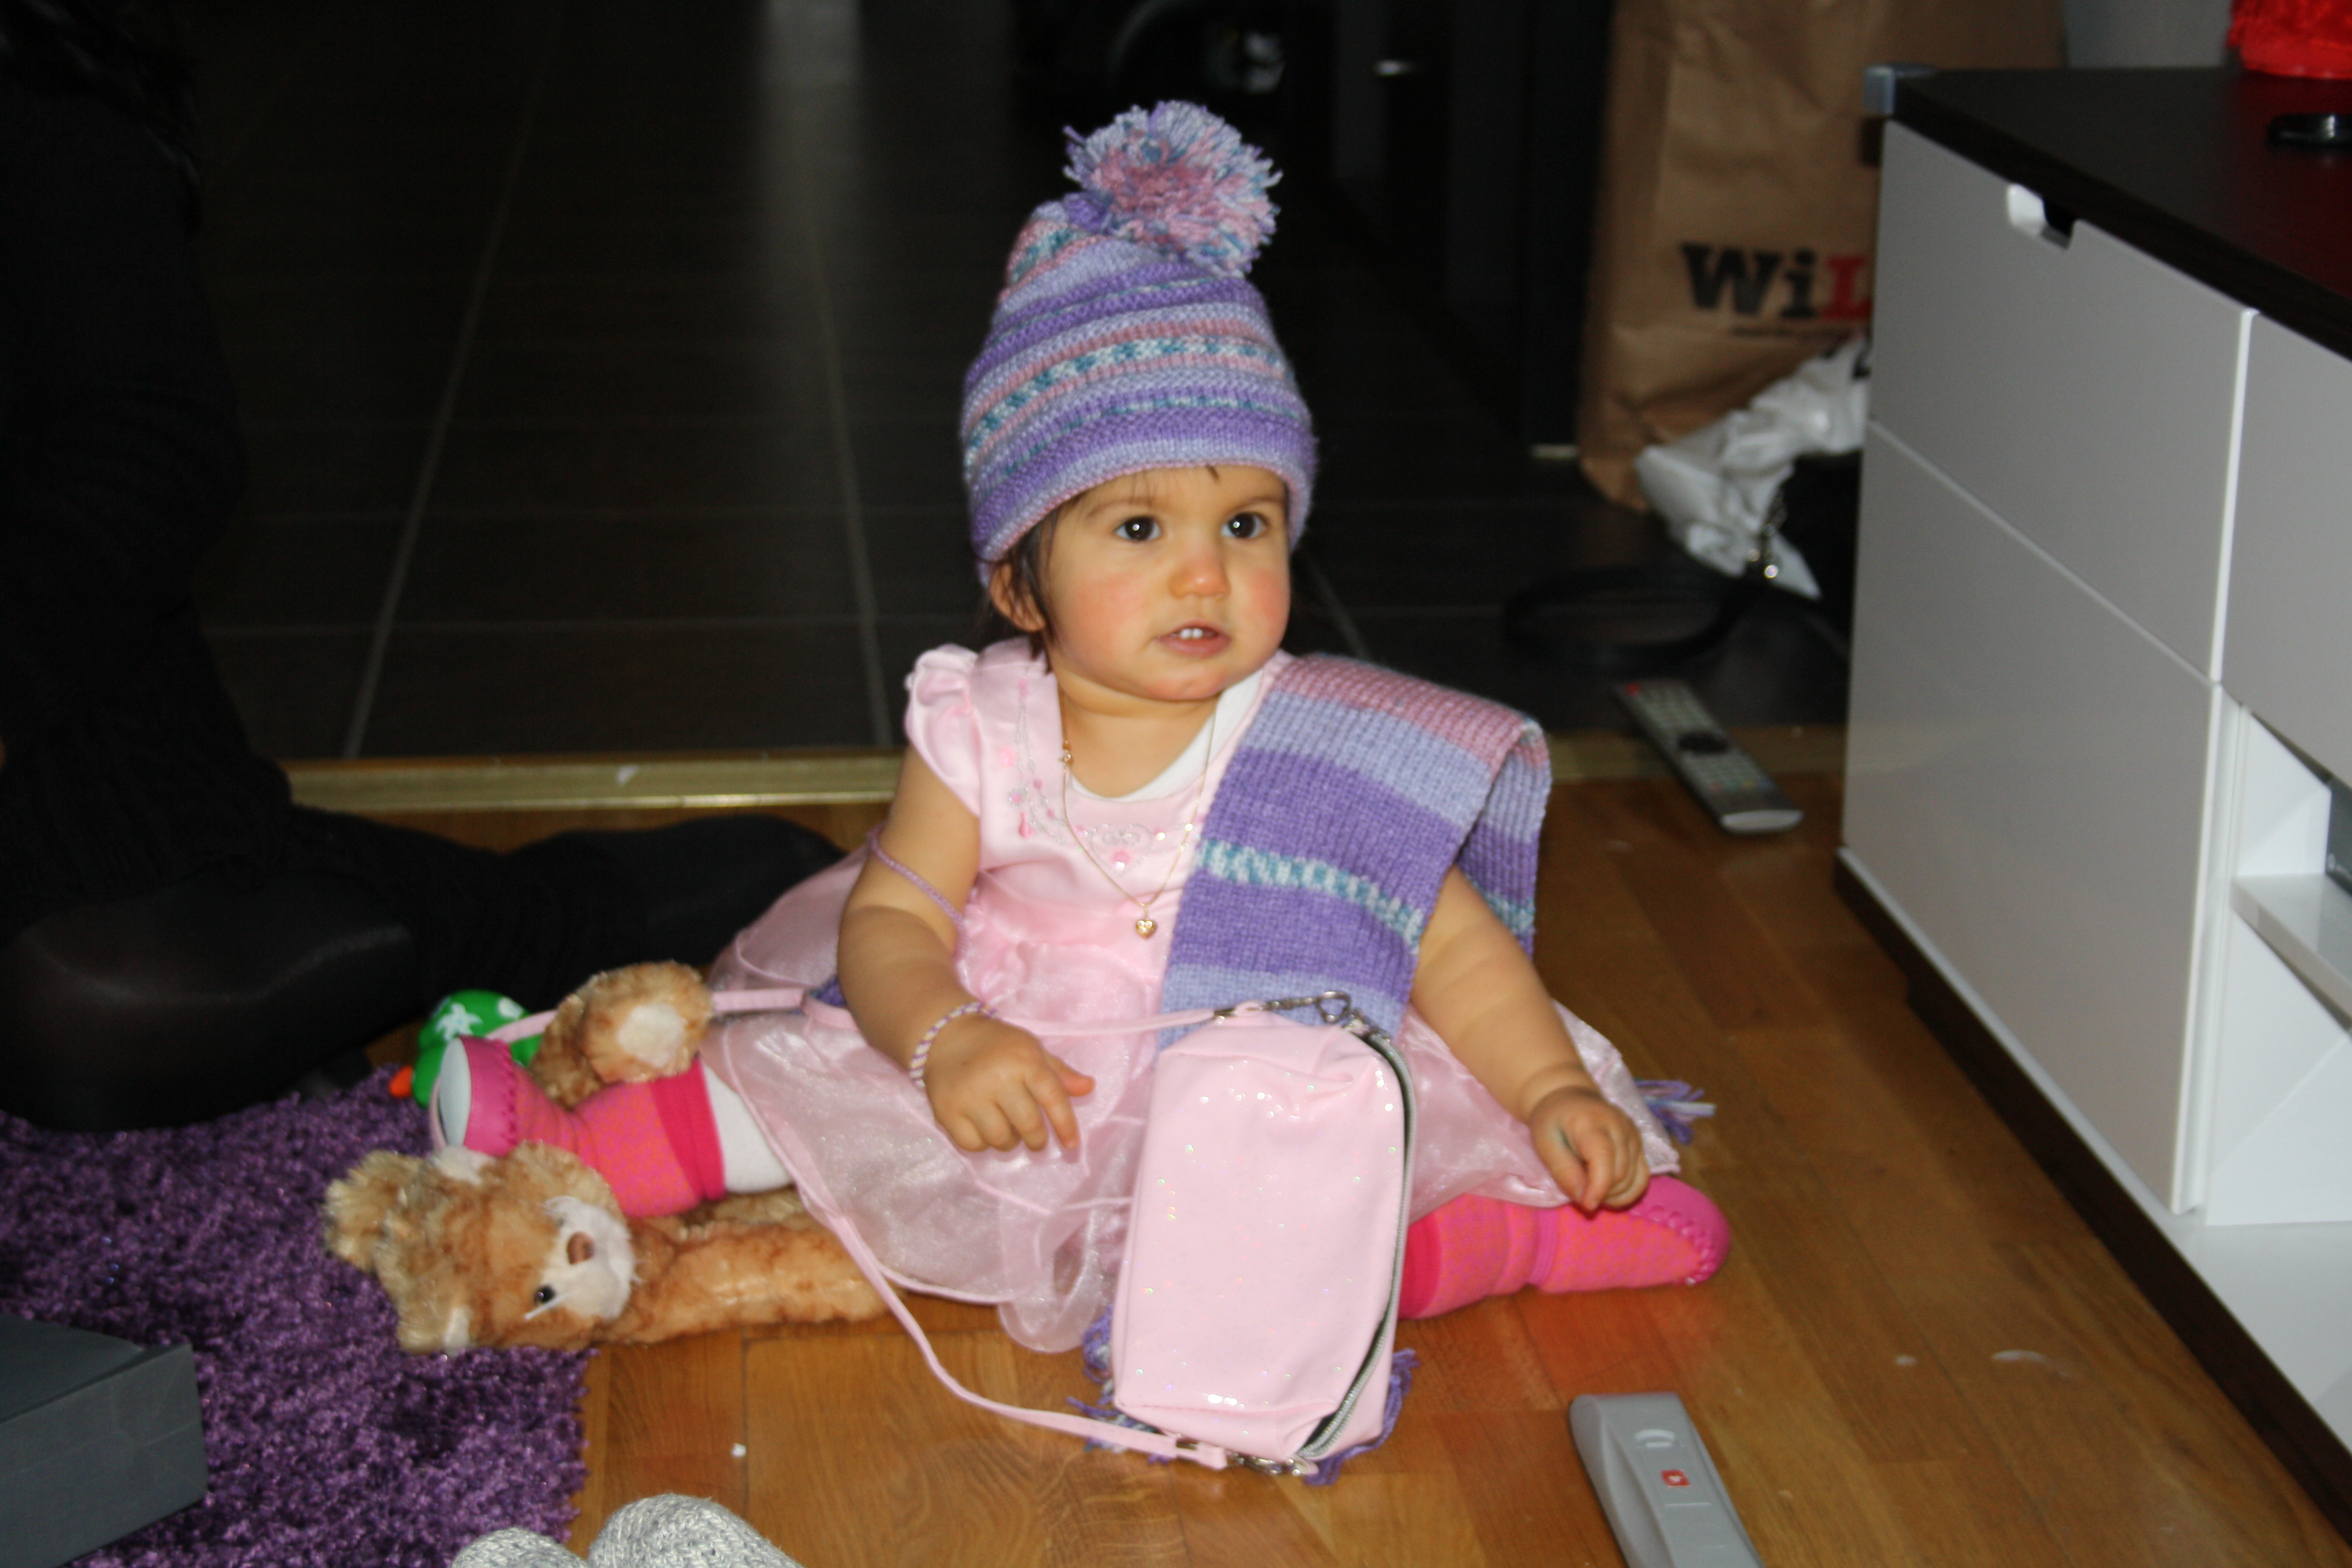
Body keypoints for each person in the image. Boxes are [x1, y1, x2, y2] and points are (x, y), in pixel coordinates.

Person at [433, 103, 1726, 1344]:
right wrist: (946, 1038)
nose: (1204, 573)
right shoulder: (982, 725)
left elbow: (1450, 943)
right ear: (1020, 586)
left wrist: (1550, 1087)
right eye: (1140, 527)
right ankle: (571, 1145)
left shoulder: (1325, 738)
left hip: (1264, 1069)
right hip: (1026, 1050)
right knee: (800, 1091)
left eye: (1246, 524)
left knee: (1337, 1215)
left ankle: (1530, 1239)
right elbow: (894, 922)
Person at [0, 0, 840, 1132]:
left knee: (92, 1007)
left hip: (66, 704)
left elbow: (152, 444)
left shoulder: (43, 118)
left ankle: (532, 915)